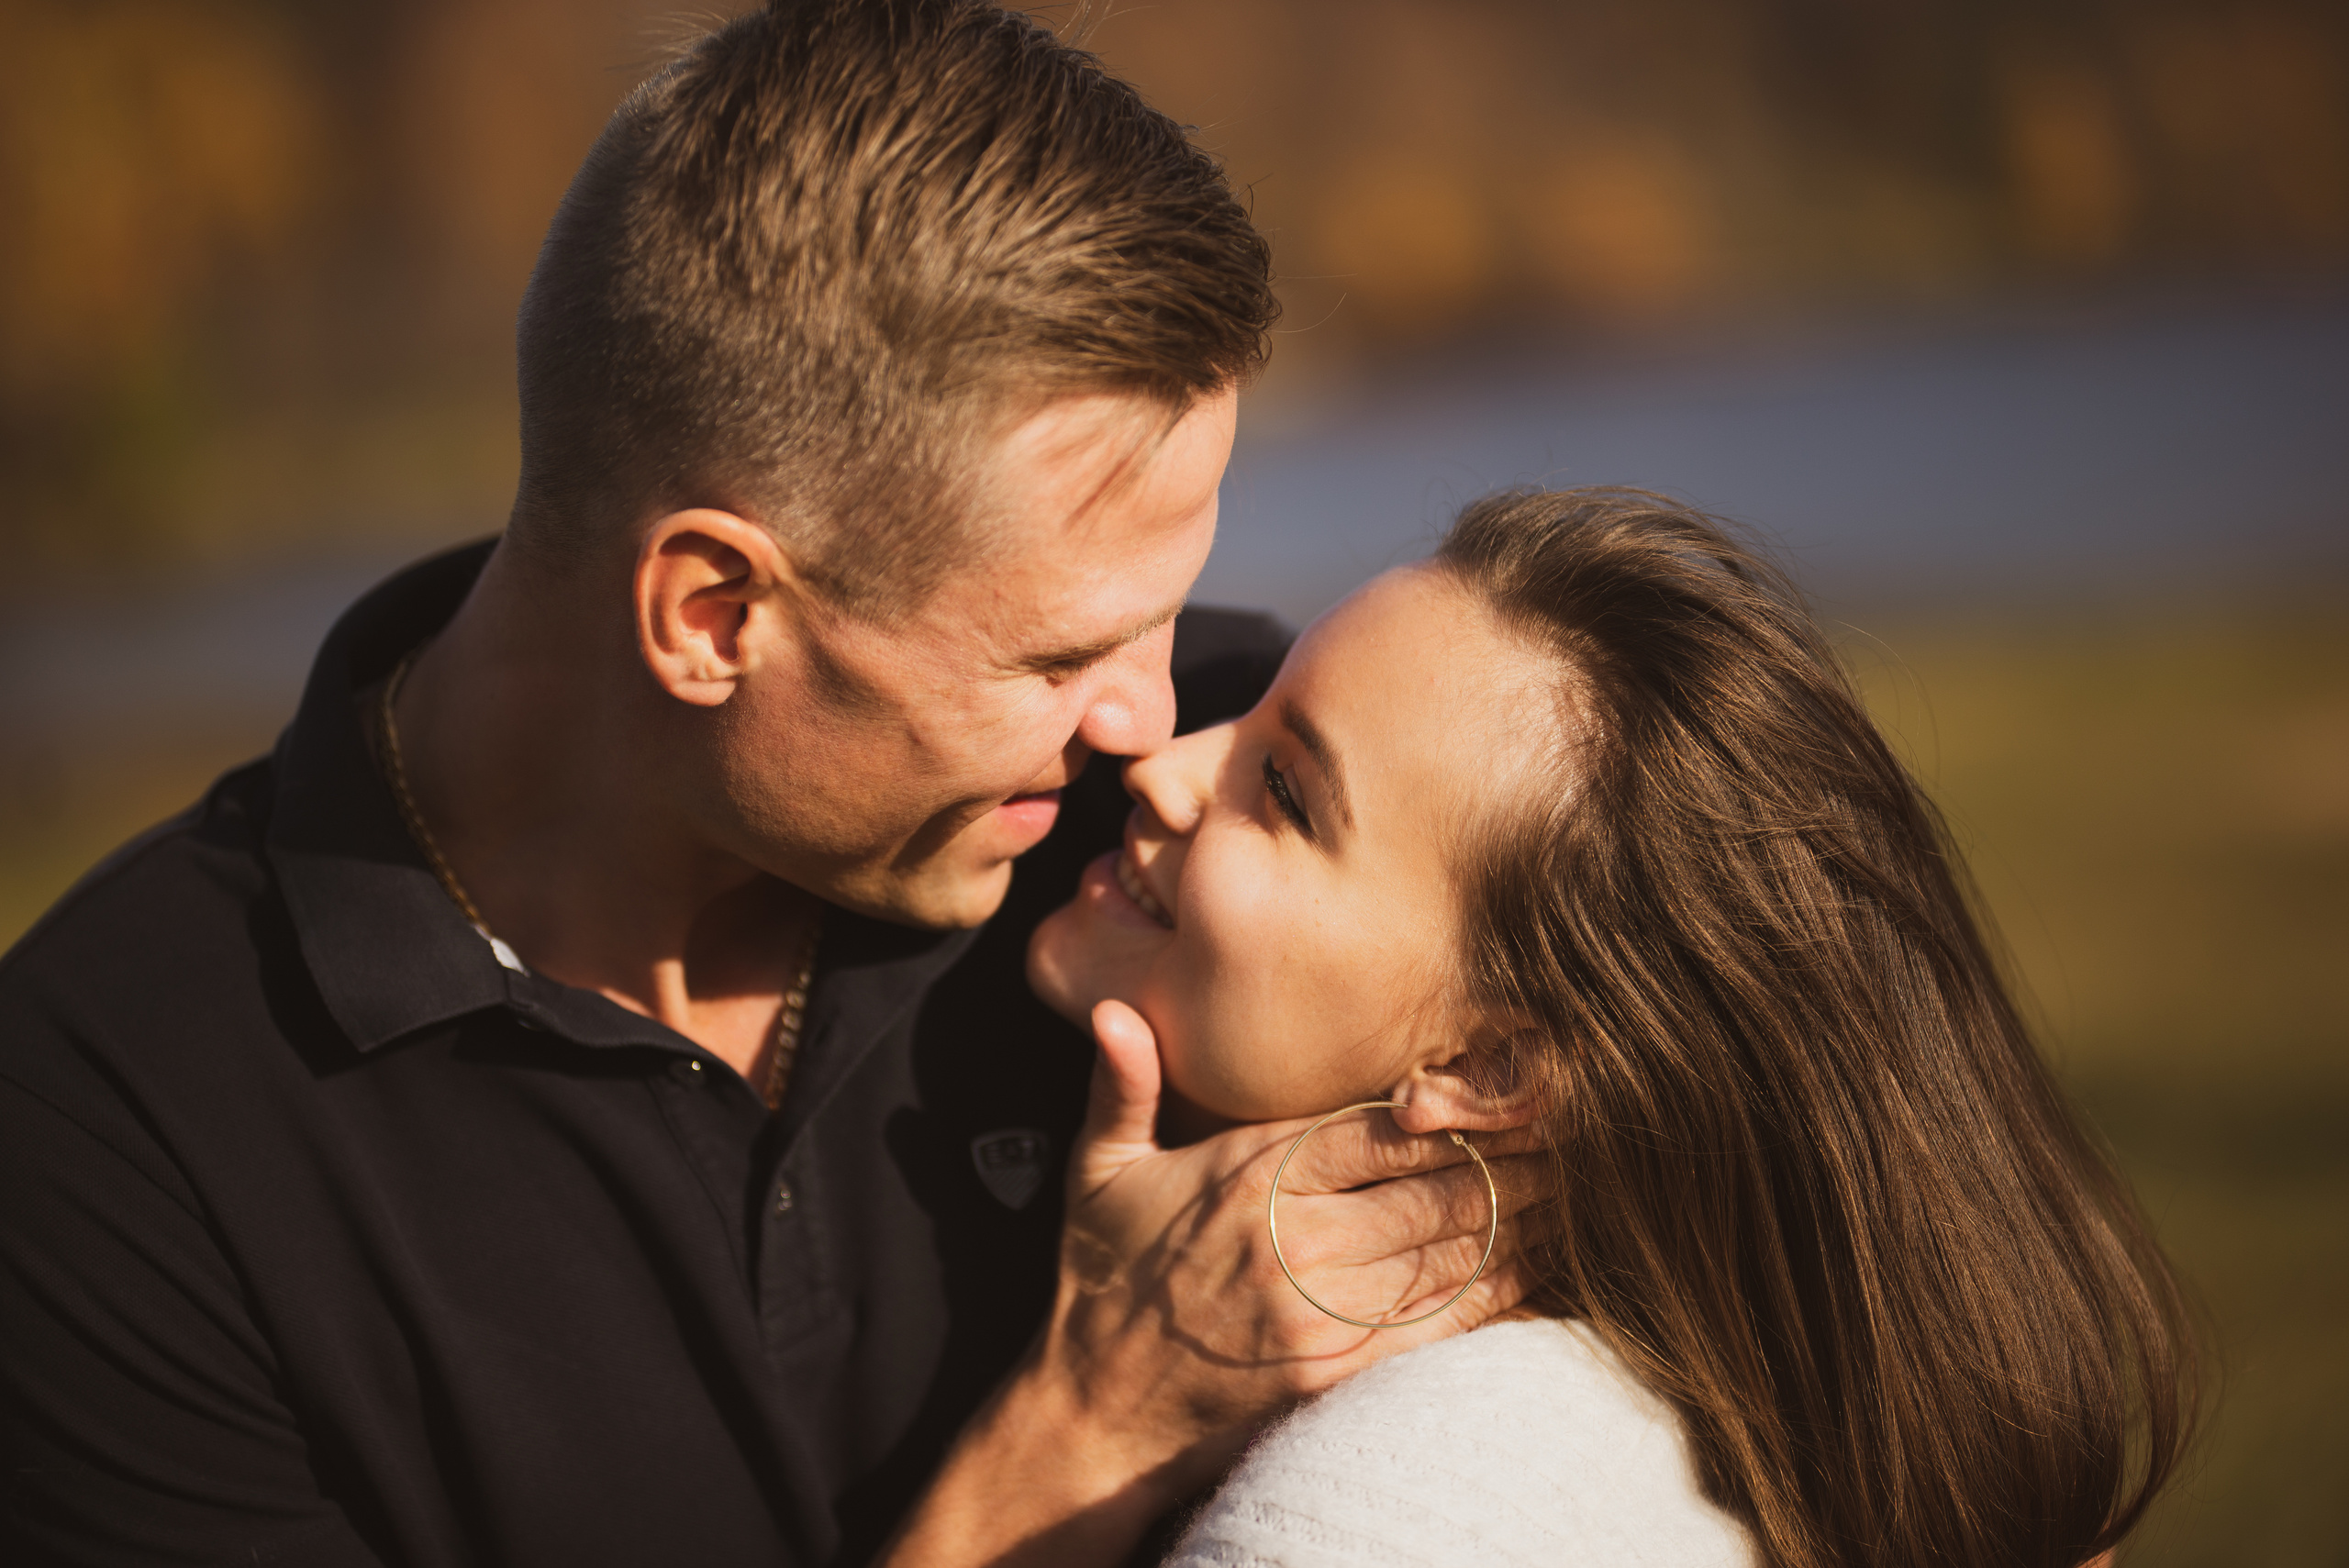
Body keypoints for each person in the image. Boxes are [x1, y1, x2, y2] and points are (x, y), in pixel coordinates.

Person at [0, 6, 1529, 1566]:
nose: (1148, 723)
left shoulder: (1202, 829)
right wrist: (1084, 1436)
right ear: (713, 615)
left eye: (1165, 609)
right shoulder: (108, 1135)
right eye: (1060, 655)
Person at [1028, 487, 2197, 1568]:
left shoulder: (1374, 1518)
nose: (1160, 767)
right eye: (1248, 714)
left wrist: (1080, 1421)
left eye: (1282, 793)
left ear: (1488, 1065)